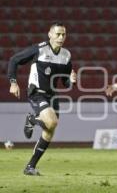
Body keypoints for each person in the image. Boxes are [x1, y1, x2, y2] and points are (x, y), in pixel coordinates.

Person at [7, 22, 77, 176]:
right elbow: (14, 60)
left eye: (63, 34)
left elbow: (63, 82)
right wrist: (13, 82)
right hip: (36, 92)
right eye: (57, 34)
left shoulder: (66, 55)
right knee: (52, 122)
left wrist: (70, 79)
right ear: (50, 34)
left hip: (52, 94)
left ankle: (30, 166)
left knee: (49, 130)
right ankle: (32, 119)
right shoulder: (39, 49)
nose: (61, 37)